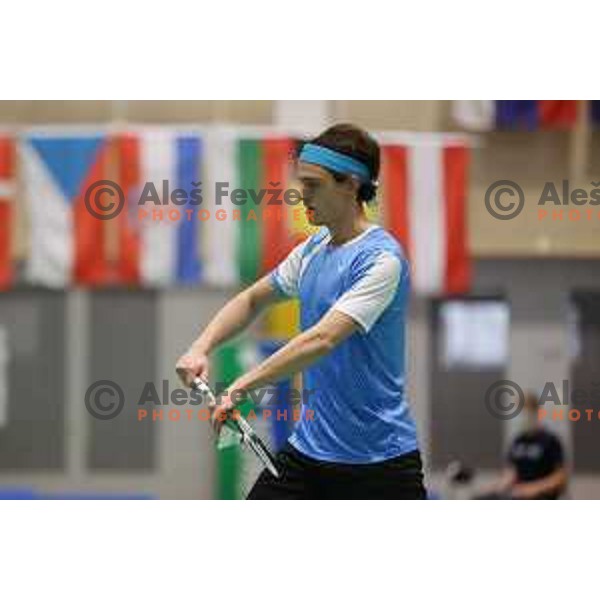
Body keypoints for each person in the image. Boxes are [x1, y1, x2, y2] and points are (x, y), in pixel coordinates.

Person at [176, 123, 425, 499]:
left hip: (381, 465)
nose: (301, 194)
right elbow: (252, 300)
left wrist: (243, 385)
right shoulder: (311, 251)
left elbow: (323, 339)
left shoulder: (381, 260)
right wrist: (201, 346)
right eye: (301, 182)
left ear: (351, 184)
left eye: (313, 184)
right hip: (309, 456)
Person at [479, 391, 567, 499]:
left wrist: (533, 488)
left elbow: (559, 477)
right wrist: (496, 486)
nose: (521, 416)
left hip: (540, 495)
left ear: (536, 412)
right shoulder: (517, 441)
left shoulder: (550, 441)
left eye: (525, 411)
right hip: (517, 493)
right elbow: (511, 473)